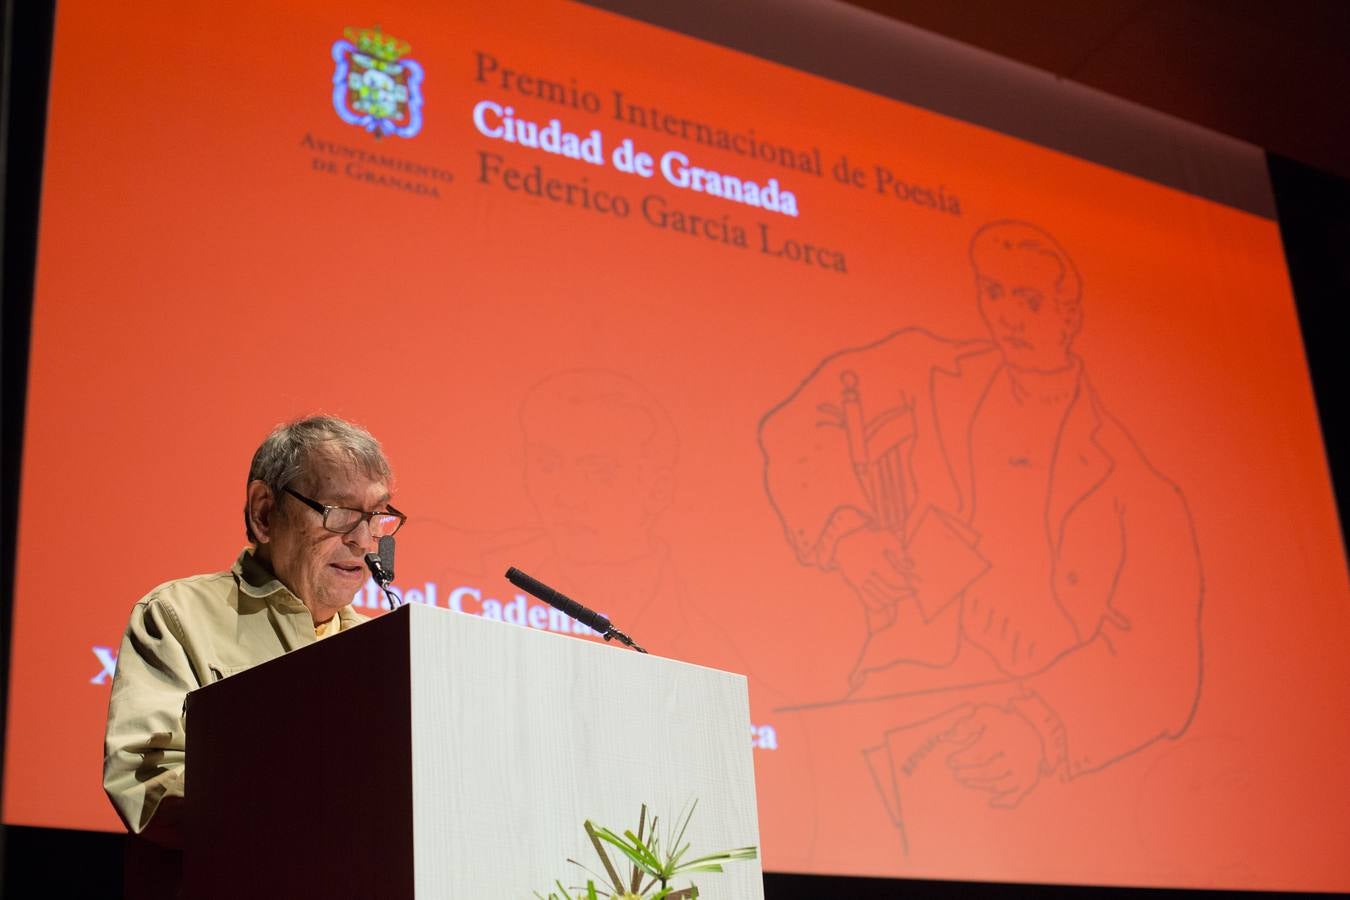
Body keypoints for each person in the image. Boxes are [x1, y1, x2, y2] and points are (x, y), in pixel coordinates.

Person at [759, 220, 1202, 830]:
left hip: (1016, 742)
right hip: (889, 693)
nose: (1008, 318)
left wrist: (1042, 728)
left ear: (1069, 314)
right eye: (994, 293)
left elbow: (1163, 661)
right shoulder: (928, 371)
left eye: (1030, 301)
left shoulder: (1134, 482)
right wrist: (845, 531)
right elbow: (800, 421)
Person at [102, 415, 405, 867]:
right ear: (265, 512)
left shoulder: (384, 647)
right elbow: (147, 783)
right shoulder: (179, 614)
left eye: (376, 517)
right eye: (340, 512)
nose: (364, 541)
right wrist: (312, 812)